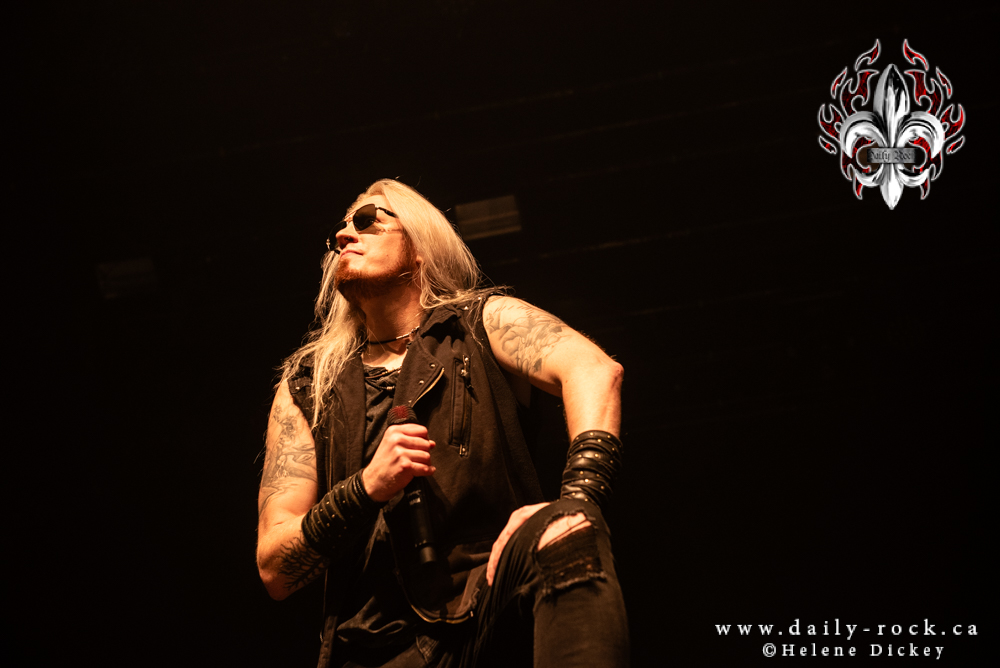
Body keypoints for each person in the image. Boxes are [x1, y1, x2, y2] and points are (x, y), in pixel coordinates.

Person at [257, 179, 629, 667]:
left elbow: (595, 370)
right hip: (376, 651)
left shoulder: (481, 323)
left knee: (566, 527)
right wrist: (365, 488)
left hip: (488, 608)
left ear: (420, 246)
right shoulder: (309, 385)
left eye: (367, 220)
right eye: (339, 230)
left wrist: (578, 501)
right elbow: (275, 568)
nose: (345, 235)